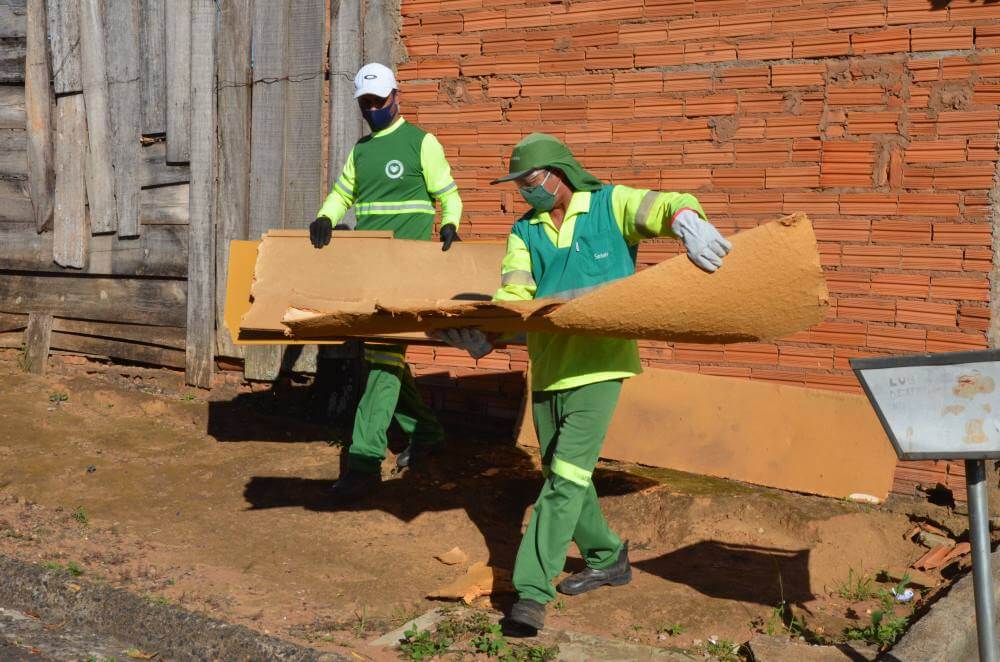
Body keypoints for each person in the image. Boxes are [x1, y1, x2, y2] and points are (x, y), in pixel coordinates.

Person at [438, 133, 731, 635]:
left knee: (564, 480)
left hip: (600, 368)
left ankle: (532, 592)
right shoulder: (523, 231)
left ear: (558, 173)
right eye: (520, 185)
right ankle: (608, 555)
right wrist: (489, 335)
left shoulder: (608, 205)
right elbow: (517, 296)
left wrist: (689, 223)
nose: (525, 192)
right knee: (562, 471)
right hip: (550, 368)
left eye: (530, 182)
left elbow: (663, 205)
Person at [309, 62, 463, 503]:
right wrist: (326, 216)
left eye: (379, 100)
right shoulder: (360, 151)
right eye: (366, 103)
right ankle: (428, 433)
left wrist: (450, 224)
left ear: (396, 96)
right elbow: (343, 194)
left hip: (410, 272)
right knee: (386, 359)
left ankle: (363, 462)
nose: (373, 108)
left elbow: (447, 194)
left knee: (380, 361)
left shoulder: (421, 143)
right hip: (373, 270)